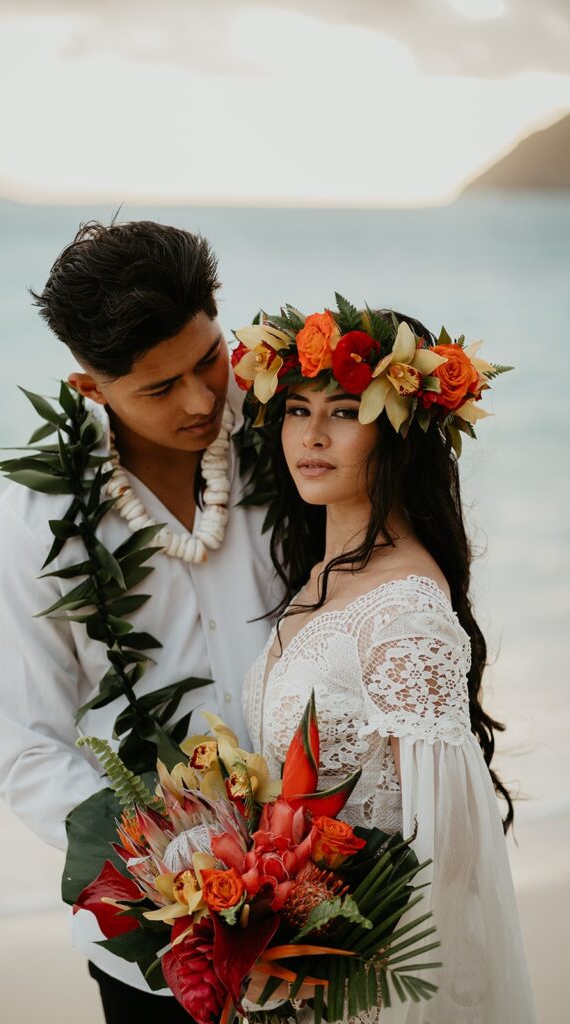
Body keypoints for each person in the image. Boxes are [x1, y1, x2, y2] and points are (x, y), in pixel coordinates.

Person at [0, 220, 280, 1023]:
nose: (200, 399)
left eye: (207, 358)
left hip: (335, 887)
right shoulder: (28, 528)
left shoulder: (293, 442)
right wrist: (164, 860)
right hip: (160, 946)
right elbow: (27, 746)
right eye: (156, 387)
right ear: (89, 389)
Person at [236, 301, 536, 1022]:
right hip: (307, 968)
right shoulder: (320, 576)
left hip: (370, 985)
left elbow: (449, 850)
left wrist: (343, 974)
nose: (309, 435)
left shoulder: (404, 610)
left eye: (343, 410)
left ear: (401, 430)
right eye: (295, 408)